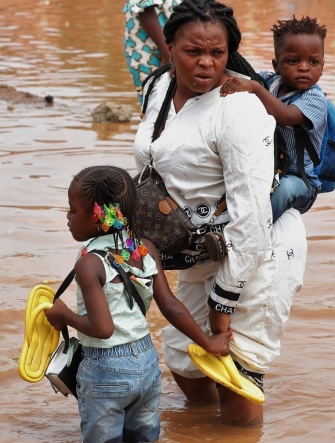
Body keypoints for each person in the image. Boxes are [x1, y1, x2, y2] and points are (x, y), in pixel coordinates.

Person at [133, 0, 308, 426]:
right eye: (193, 51)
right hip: (199, 248)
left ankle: (238, 426)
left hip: (259, 251)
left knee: (238, 375)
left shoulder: (239, 107)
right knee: (185, 360)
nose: (206, 63)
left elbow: (252, 221)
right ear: (169, 47)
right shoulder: (158, 88)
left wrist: (223, 305)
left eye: (218, 52)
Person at [44, 165, 233, 443]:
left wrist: (63, 315)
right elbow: (171, 306)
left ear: (98, 218)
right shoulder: (144, 249)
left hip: (106, 369)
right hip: (146, 362)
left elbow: (103, 329)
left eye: (73, 210)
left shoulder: (89, 263)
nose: (68, 216)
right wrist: (208, 343)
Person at [219, 16, 329, 222]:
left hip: (299, 180)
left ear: (322, 66)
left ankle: (257, 229)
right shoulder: (269, 82)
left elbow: (286, 117)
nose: (304, 67)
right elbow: (236, 74)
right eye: (293, 61)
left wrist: (255, 88)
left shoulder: (315, 98)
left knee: (285, 189)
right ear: (276, 65)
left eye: (313, 62)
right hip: (265, 170)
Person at [123, 0, 181, 101]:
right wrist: (166, 53)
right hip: (146, 47)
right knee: (153, 99)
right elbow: (145, 9)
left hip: (181, 44)